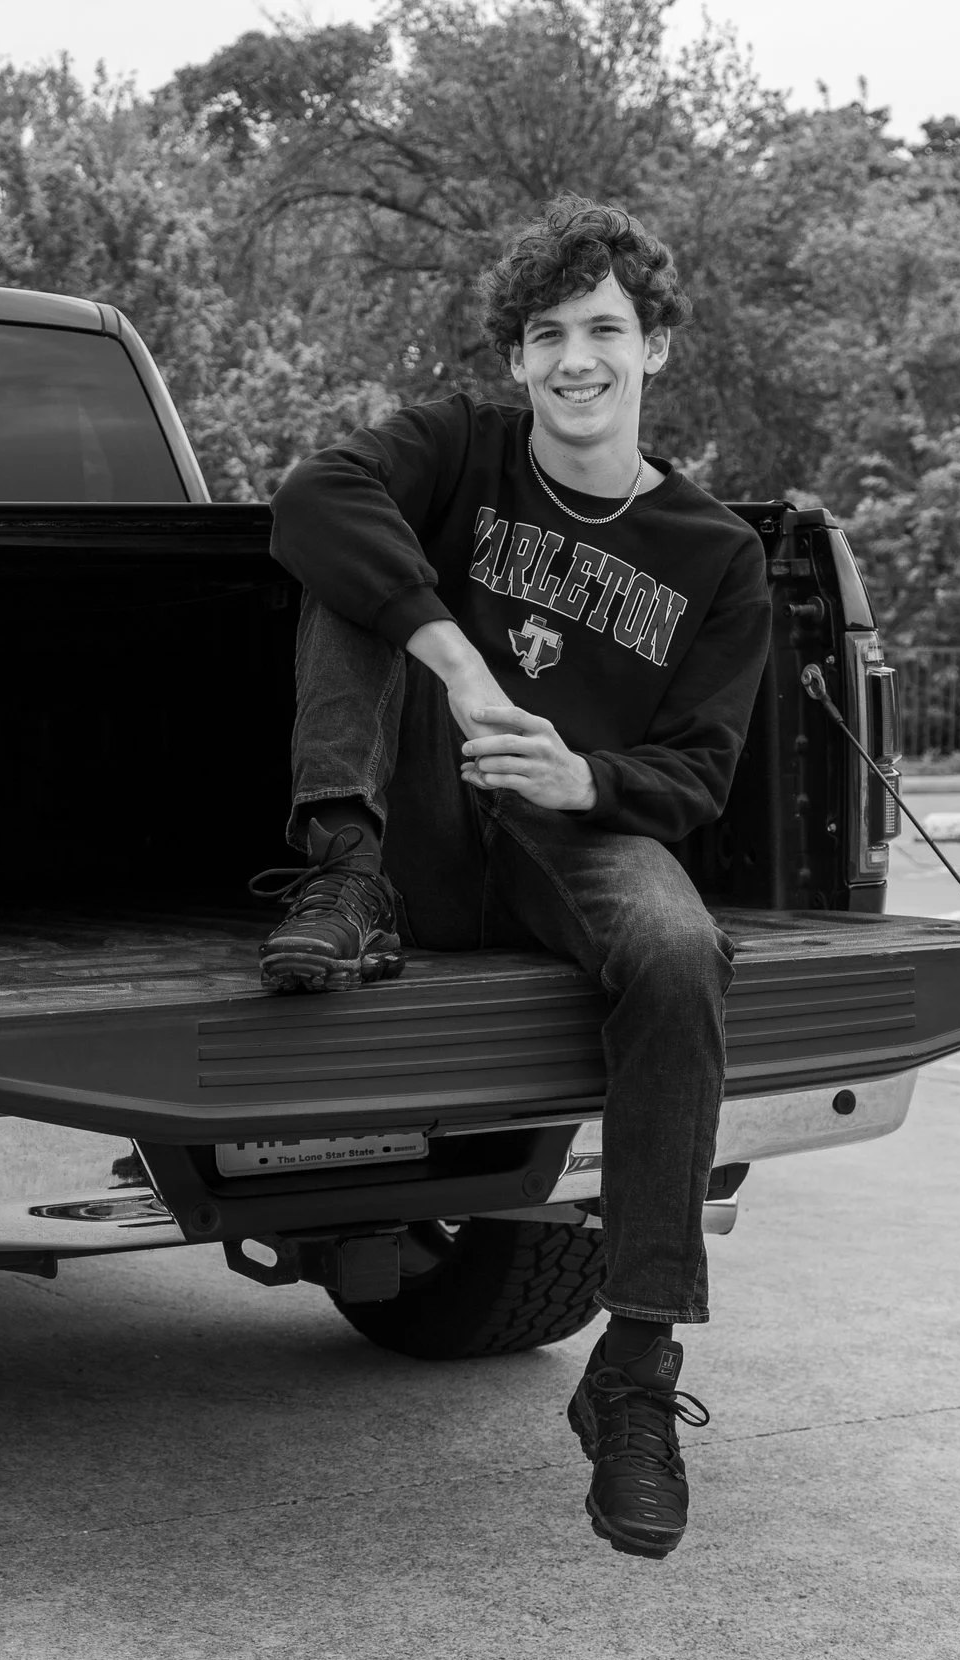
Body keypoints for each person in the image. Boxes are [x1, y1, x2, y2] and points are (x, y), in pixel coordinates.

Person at [255, 195, 771, 1560]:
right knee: (352, 560)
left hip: (569, 829)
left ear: (655, 346)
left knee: (678, 952)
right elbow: (312, 496)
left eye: (605, 328)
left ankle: (637, 1368)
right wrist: (456, 655)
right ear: (520, 357)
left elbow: (700, 774)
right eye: (548, 334)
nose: (574, 359)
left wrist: (587, 781)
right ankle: (341, 879)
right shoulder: (461, 450)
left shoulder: (716, 554)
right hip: (416, 810)